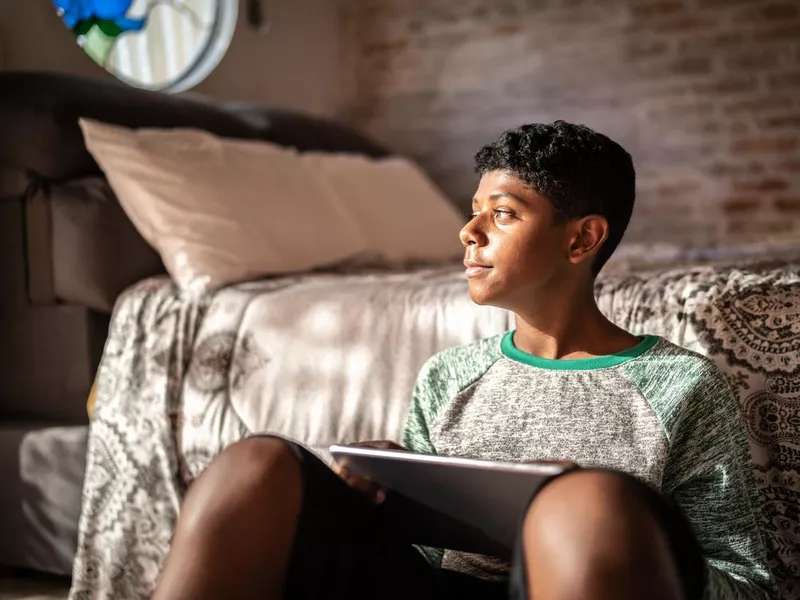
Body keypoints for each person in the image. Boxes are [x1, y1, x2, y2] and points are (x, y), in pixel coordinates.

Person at [151, 122, 776, 600]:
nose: (468, 232)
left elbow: (746, 582)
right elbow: (416, 565)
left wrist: (582, 511)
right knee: (254, 465)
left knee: (582, 504)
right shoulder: (449, 376)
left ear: (582, 238)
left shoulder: (681, 385)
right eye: (474, 210)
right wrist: (388, 495)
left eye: (502, 214)